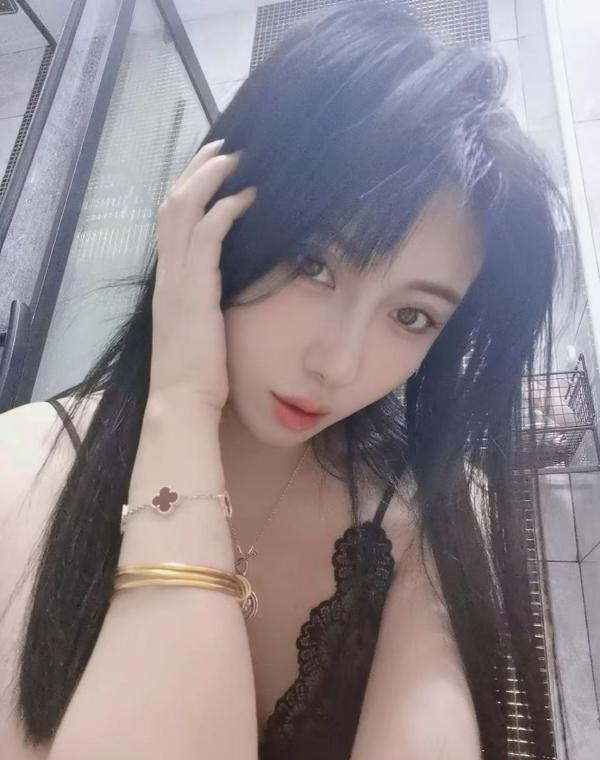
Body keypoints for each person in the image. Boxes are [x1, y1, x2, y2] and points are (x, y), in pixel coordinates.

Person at [0, 3, 577, 759]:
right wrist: (179, 405)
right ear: (207, 219)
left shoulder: (420, 518)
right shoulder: (23, 467)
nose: (338, 364)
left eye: (411, 316)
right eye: (313, 264)